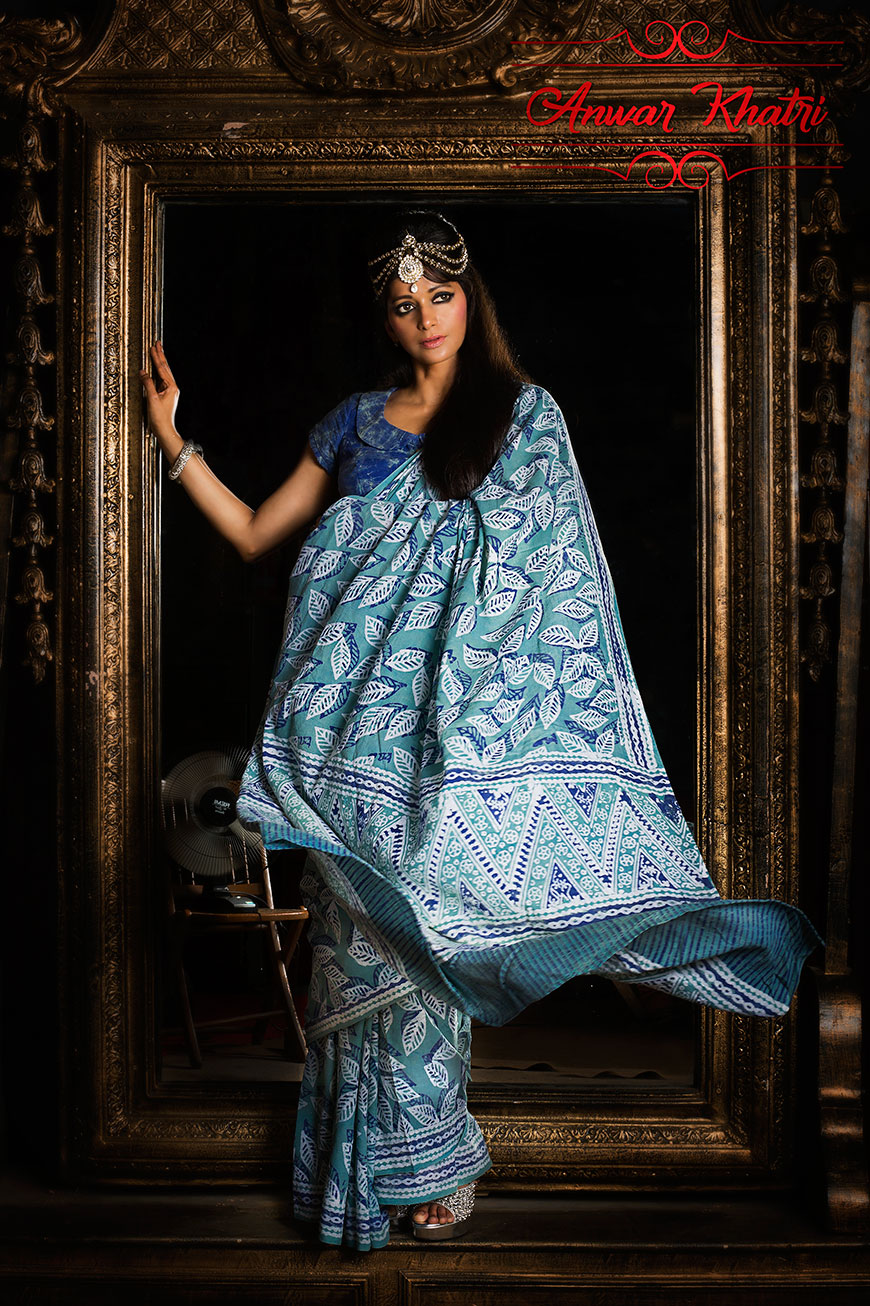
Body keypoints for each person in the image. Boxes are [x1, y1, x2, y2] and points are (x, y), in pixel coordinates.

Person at [140, 209, 820, 1252]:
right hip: (344, 745)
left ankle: (432, 1163)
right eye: (403, 304)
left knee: (432, 944)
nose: (425, 318)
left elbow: (549, 584)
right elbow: (257, 536)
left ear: (472, 299)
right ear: (383, 319)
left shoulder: (522, 417)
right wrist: (173, 440)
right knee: (349, 958)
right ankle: (357, 1172)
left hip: (453, 744)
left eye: (442, 295)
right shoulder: (353, 423)